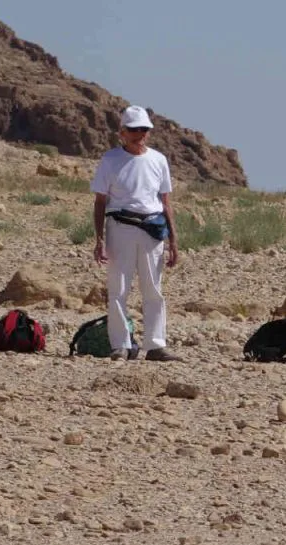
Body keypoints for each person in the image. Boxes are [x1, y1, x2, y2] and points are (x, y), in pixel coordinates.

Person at [91, 105, 180, 361]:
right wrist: (99, 239)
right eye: (133, 129)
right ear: (122, 132)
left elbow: (166, 202)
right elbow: (100, 202)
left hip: (152, 230)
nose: (139, 134)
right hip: (120, 228)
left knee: (153, 288)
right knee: (118, 288)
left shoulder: (158, 160)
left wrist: (173, 240)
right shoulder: (110, 160)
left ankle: (155, 344)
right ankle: (121, 344)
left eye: (143, 129)